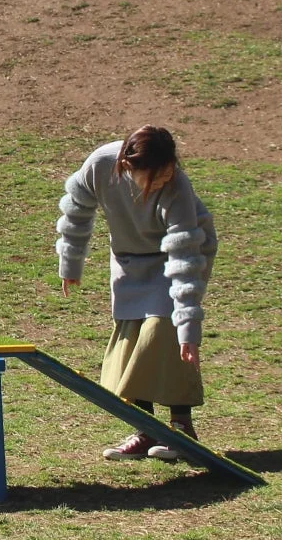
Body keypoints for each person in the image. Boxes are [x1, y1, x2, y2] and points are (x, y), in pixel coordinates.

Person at [54, 125, 217, 461]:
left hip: (180, 254)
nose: (164, 180)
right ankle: (145, 430)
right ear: (129, 168)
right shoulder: (100, 164)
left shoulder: (177, 186)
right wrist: (70, 264)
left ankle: (181, 429)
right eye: (155, 176)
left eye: (169, 171)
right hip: (129, 259)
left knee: (164, 330)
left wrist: (188, 329)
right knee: (131, 338)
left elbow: (185, 259)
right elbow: (76, 210)